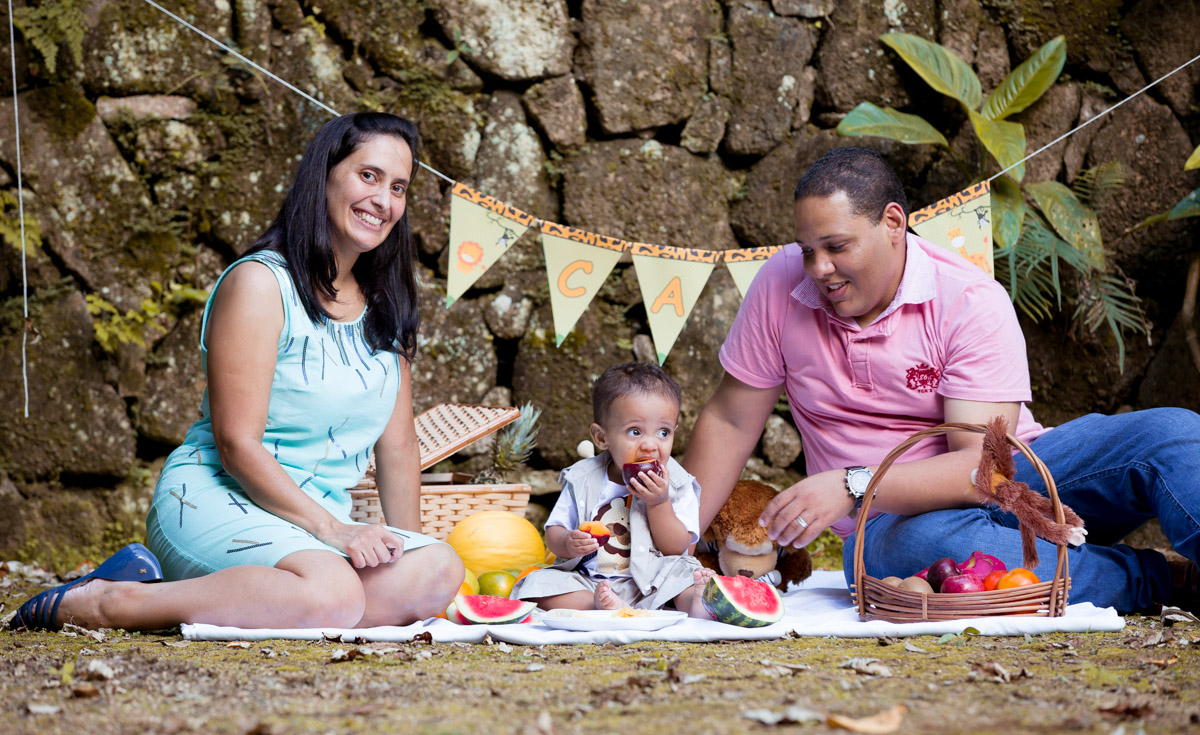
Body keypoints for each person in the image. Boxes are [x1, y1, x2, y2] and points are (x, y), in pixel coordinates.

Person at [683, 146, 1200, 615]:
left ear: (892, 222)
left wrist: (853, 484)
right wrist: (667, 544)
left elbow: (986, 470)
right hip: (891, 522)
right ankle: (1164, 580)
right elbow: (731, 418)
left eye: (836, 246)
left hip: (1021, 482)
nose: (819, 268)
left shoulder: (969, 298)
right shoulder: (780, 283)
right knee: (902, 552)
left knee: (1173, 433)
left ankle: (1065, 563)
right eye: (806, 250)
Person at [11, 113, 464, 632]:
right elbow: (236, 444)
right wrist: (336, 531)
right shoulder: (260, 285)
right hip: (217, 500)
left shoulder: (387, 305)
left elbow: (399, 446)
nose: (384, 201)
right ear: (325, 175)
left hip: (319, 532)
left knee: (439, 568)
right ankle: (110, 602)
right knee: (332, 594)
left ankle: (282, 599)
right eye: (369, 176)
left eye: (399, 187)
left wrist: (405, 551)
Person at [512, 363, 716, 617]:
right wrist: (567, 542)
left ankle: (695, 602)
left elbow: (676, 548)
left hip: (655, 581)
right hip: (592, 582)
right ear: (601, 438)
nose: (650, 445)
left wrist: (659, 503)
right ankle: (596, 605)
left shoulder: (677, 483)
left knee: (684, 575)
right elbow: (554, 532)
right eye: (635, 431)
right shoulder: (582, 478)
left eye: (663, 432)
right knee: (533, 587)